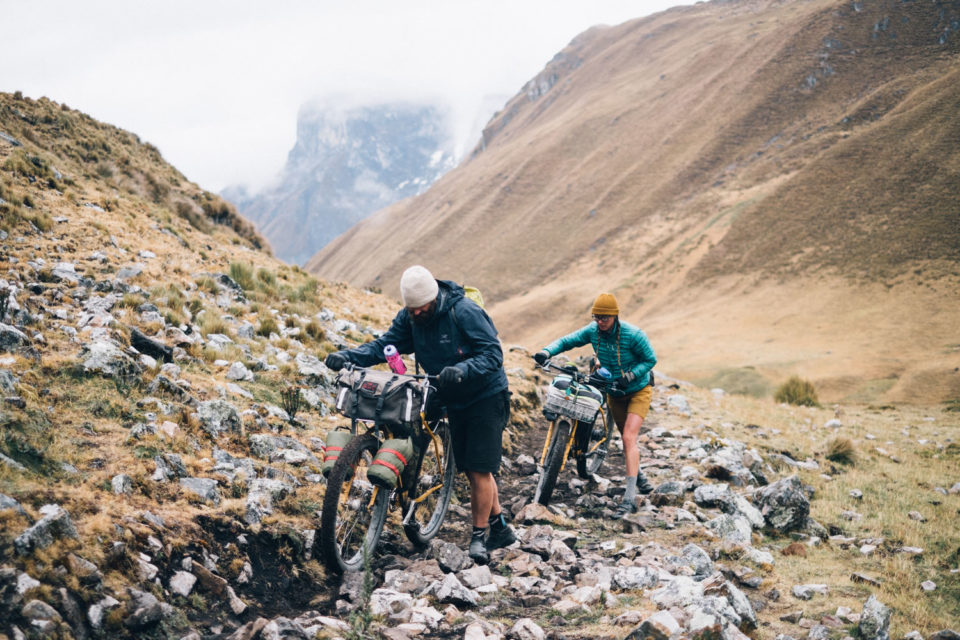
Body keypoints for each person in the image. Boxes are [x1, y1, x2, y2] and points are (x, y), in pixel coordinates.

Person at [324, 265, 516, 564]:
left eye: (420, 308)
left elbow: (493, 354)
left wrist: (463, 369)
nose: (414, 314)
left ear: (434, 298)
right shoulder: (411, 316)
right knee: (418, 435)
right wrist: (349, 356)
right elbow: (384, 346)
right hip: (443, 388)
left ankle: (480, 536)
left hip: (484, 395)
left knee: (478, 467)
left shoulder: (464, 312)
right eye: (409, 309)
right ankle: (498, 525)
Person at [534, 292, 657, 518]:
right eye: (596, 317)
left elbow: (650, 360)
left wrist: (630, 376)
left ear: (615, 317)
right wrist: (546, 351)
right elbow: (567, 341)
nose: (600, 322)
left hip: (639, 390)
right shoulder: (593, 332)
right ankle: (639, 475)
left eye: (604, 318)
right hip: (614, 392)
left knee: (629, 438)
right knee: (623, 436)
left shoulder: (634, 335)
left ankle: (629, 499)